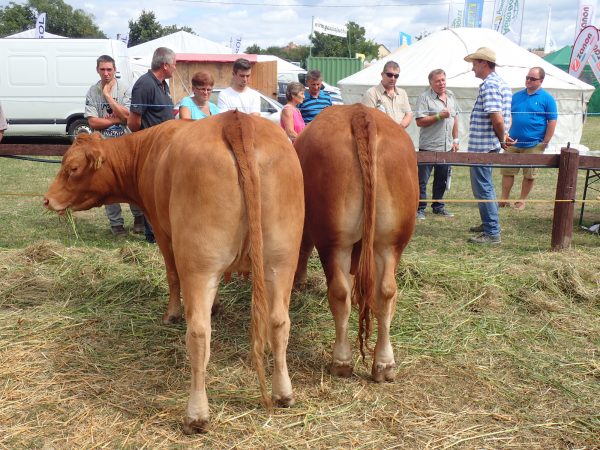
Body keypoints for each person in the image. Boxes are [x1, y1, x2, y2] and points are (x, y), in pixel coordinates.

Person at [84, 54, 144, 238]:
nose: (106, 73)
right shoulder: (92, 91)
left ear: (115, 70)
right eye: (102, 69)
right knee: (107, 186)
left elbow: (127, 117)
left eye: (109, 69)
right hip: (104, 147)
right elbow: (93, 122)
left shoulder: (125, 88)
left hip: (127, 147)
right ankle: (116, 225)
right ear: (97, 70)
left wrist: (108, 95)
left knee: (132, 183)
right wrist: (114, 120)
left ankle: (139, 219)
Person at [464, 47, 514, 245]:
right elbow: (500, 120)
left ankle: (492, 232)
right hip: (488, 143)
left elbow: (497, 118)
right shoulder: (500, 83)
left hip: (483, 146)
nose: (473, 68)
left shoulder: (489, 85)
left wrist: (502, 139)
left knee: (483, 188)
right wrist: (503, 137)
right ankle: (488, 224)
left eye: (475, 63)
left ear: (484, 63)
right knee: (486, 186)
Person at [128, 47, 176, 243]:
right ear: (165, 65)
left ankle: (161, 232)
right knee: (152, 194)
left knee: (163, 193)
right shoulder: (144, 84)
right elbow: (133, 121)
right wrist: (147, 140)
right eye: (174, 64)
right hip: (152, 148)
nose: (175, 67)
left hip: (166, 147)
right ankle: (152, 235)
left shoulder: (163, 84)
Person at [500, 66, 558, 211]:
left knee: (530, 174)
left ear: (541, 80)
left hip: (534, 143)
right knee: (507, 171)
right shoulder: (516, 96)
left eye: (533, 78)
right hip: (512, 142)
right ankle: (503, 199)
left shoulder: (547, 99)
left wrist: (545, 141)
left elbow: (552, 121)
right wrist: (505, 136)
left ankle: (521, 200)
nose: (528, 80)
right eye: (527, 77)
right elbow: (507, 116)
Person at [415, 69, 460, 220]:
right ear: (431, 83)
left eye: (443, 80)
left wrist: (456, 139)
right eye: (438, 81)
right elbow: (420, 121)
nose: (441, 83)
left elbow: (455, 118)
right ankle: (419, 208)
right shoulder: (424, 97)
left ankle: (438, 206)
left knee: (442, 178)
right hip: (428, 146)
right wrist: (439, 116)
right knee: (422, 180)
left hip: (446, 147)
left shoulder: (451, 96)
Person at [361, 60, 412, 128]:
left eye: (396, 76)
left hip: (399, 135)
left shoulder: (402, 93)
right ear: (382, 74)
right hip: (381, 136)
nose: (393, 78)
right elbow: (367, 119)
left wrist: (399, 128)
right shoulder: (371, 93)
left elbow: (409, 114)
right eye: (389, 75)